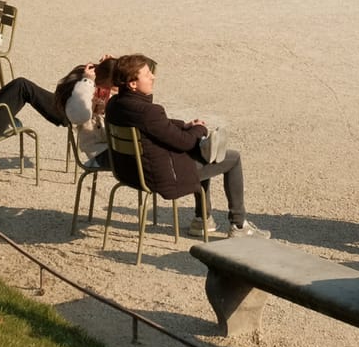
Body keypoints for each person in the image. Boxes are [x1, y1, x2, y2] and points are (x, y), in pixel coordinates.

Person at [104, 53, 265, 238]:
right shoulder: (149, 112)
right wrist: (199, 130)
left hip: (130, 173)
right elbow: (184, 143)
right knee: (231, 158)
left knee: (203, 154)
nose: (153, 77)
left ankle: (202, 219)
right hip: (161, 177)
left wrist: (184, 125)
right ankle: (239, 225)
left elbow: (156, 125)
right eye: (147, 74)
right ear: (133, 84)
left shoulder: (115, 104)